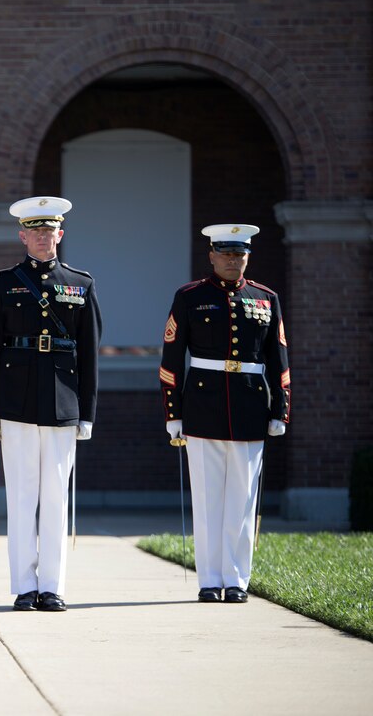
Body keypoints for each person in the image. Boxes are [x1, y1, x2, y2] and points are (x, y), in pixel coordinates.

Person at [0, 196, 101, 613]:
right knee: (22, 497)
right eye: (36, 231)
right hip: (15, 402)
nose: (43, 238)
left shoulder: (80, 283)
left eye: (50, 231)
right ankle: (24, 586)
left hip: (63, 403)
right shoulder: (2, 283)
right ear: (23, 236)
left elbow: (89, 354)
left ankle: (52, 585)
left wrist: (87, 411)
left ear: (60, 235)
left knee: (54, 500)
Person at [160, 224, 290, 604]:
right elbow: (171, 360)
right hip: (202, 406)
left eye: (240, 255)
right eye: (227, 255)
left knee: (242, 501)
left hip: (250, 406)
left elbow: (278, 358)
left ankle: (237, 580)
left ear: (248, 257)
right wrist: (173, 413)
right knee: (207, 500)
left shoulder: (265, 299)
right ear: (212, 256)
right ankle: (210, 579)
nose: (233, 261)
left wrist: (280, 408)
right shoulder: (189, 297)